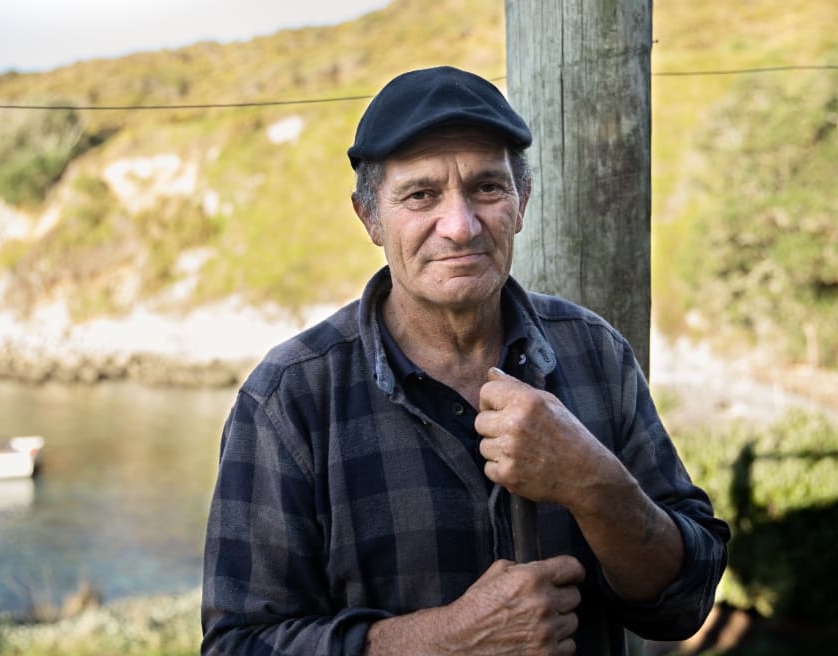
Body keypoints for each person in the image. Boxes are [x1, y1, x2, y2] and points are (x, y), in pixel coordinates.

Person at [201, 65, 729, 656]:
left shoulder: (595, 353)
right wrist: (447, 640)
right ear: (370, 217)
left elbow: (685, 601)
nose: (459, 226)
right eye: (421, 195)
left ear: (522, 201)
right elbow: (236, 645)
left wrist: (596, 484)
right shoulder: (288, 398)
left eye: (487, 188)